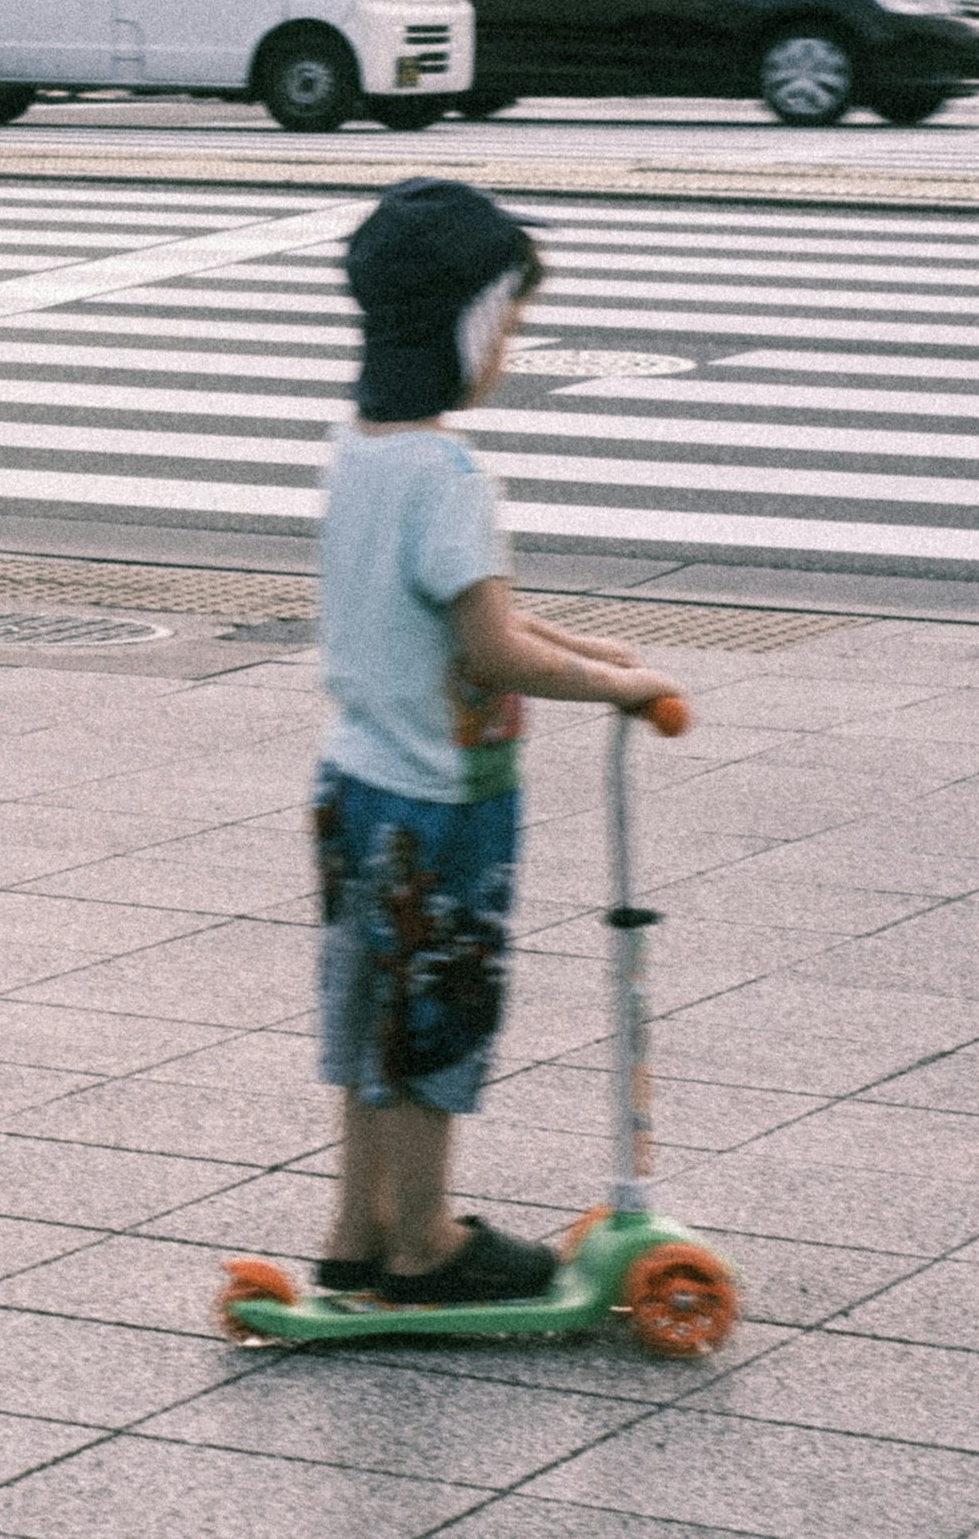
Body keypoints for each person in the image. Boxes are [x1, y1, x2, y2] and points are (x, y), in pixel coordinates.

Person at [309, 178, 684, 1303]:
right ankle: (426, 1239)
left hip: (355, 786)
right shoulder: (455, 477)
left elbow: (465, 617)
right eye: (510, 324)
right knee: (436, 1019)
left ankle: (358, 1228)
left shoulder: (362, 453)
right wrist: (619, 686)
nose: (510, 346)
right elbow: (496, 650)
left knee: (374, 1009)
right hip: (443, 802)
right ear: (469, 326)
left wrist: (597, 652)